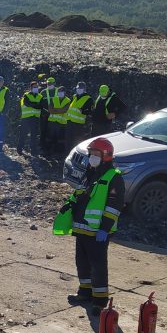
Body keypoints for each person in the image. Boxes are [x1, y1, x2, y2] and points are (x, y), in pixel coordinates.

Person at [53, 137, 125, 316]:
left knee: (98, 265)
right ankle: (85, 292)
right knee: (82, 262)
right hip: (82, 228)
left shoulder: (114, 177)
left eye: (95, 154)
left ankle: (100, 300)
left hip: (99, 231)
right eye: (91, 153)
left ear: (106, 156)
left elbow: (114, 206)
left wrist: (105, 228)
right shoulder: (90, 173)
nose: (92, 157)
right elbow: (80, 195)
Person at [65, 82, 93, 155]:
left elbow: (90, 111)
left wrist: (83, 110)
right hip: (70, 122)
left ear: (84, 89)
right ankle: (67, 154)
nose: (79, 90)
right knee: (68, 140)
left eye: (81, 88)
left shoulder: (88, 99)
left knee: (76, 141)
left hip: (78, 124)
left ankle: (74, 156)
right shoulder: (74, 96)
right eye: (78, 88)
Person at [17, 81, 43, 155]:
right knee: (23, 134)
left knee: (34, 135)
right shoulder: (26, 95)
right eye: (34, 87)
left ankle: (33, 151)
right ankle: (19, 149)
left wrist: (33, 104)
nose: (36, 88)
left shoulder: (40, 96)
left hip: (35, 118)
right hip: (26, 118)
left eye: (37, 87)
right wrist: (36, 105)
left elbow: (41, 106)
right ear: (30, 88)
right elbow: (27, 103)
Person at [47, 84, 71, 156]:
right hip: (52, 122)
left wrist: (56, 110)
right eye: (59, 91)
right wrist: (59, 110)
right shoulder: (54, 99)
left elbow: (64, 110)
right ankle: (49, 152)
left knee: (60, 139)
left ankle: (59, 153)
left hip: (62, 123)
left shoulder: (68, 100)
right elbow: (50, 110)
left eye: (62, 91)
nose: (60, 93)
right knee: (50, 137)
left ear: (65, 92)